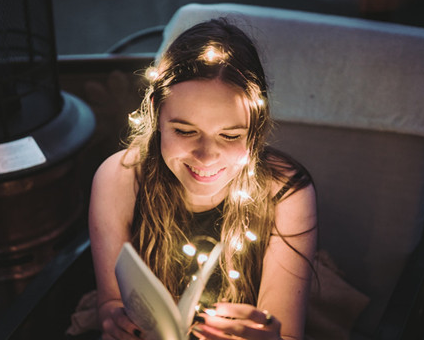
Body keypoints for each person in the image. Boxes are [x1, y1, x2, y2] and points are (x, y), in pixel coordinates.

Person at [89, 18, 317, 340]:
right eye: (184, 131)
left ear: (255, 128)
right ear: (156, 112)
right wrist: (115, 320)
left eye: (229, 135)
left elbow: (286, 332)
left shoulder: (284, 193)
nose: (206, 156)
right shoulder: (121, 179)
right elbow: (110, 303)